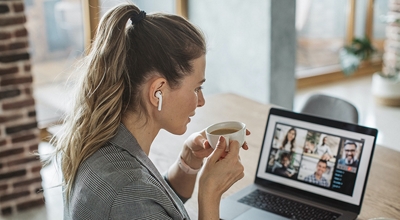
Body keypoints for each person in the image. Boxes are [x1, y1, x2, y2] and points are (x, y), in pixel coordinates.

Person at [46, 3, 249, 219]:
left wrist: (188, 162)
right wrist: (210, 193)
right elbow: (137, 200)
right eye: (197, 88)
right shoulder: (129, 192)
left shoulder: (105, 145)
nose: (201, 101)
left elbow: (155, 206)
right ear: (157, 92)